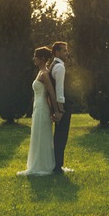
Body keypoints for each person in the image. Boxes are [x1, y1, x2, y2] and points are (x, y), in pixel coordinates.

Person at [17, 46, 61, 177]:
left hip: (42, 109)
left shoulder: (45, 74)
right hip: (37, 108)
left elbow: (51, 94)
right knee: (37, 136)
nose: (33, 59)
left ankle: (42, 165)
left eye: (36, 56)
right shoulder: (40, 72)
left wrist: (56, 111)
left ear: (42, 59)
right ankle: (37, 163)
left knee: (42, 136)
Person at [50, 41, 73, 174]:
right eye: (64, 50)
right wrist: (60, 109)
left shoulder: (54, 65)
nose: (66, 53)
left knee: (58, 136)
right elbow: (59, 90)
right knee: (61, 136)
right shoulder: (59, 67)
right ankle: (58, 166)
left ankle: (57, 164)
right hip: (63, 106)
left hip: (59, 106)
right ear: (57, 52)